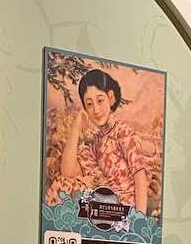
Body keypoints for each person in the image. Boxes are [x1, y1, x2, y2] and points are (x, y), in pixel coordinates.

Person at [59, 68, 150, 214]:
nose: (96, 110)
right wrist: (76, 126)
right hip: (106, 205)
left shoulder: (123, 133)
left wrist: (140, 220)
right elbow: (67, 172)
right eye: (89, 104)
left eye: (100, 100)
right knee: (62, 184)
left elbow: (140, 178)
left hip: (126, 210)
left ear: (111, 98)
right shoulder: (95, 142)